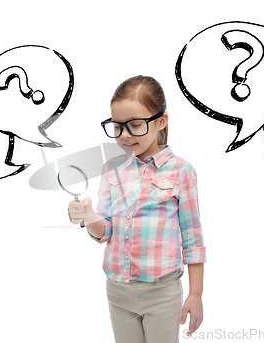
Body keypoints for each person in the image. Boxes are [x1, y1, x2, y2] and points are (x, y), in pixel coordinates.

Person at [68, 75, 206, 343]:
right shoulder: (111, 169)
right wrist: (89, 217)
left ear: (161, 121)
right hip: (117, 290)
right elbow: (104, 231)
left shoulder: (182, 171)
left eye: (135, 125)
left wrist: (196, 294)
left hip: (162, 293)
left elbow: (193, 239)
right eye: (117, 127)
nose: (125, 135)